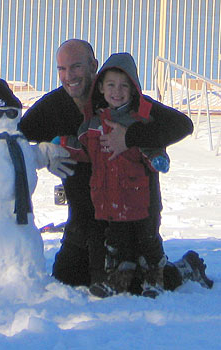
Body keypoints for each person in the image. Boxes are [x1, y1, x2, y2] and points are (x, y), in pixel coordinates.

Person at [18, 39, 213, 295]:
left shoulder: (125, 102)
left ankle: (186, 268)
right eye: (61, 69)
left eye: (75, 67)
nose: (68, 76)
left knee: (129, 284)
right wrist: (44, 152)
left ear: (93, 67)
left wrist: (129, 137)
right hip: (85, 216)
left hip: (132, 213)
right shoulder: (55, 105)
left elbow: (182, 125)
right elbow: (12, 135)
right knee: (67, 280)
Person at [54, 52, 175, 297]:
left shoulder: (139, 121)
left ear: (133, 90)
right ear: (101, 87)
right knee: (115, 245)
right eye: (111, 85)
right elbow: (83, 148)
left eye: (123, 86)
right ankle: (115, 281)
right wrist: (61, 145)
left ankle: (155, 280)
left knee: (147, 243)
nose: (117, 92)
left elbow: (151, 147)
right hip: (108, 200)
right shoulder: (93, 124)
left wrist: (156, 158)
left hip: (138, 200)